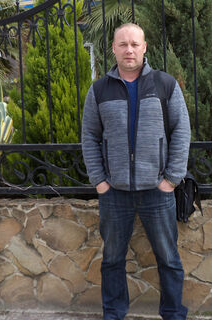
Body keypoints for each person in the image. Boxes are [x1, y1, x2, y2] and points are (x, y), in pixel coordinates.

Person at [82, 23, 191, 320]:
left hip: (157, 191)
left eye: (134, 44)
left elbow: (181, 131)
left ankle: (173, 314)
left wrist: (171, 179)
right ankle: (114, 313)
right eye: (122, 44)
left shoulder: (165, 84)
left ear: (144, 48)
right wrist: (99, 181)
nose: (128, 50)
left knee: (168, 258)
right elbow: (89, 136)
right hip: (114, 193)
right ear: (113, 49)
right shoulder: (99, 90)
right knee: (112, 260)